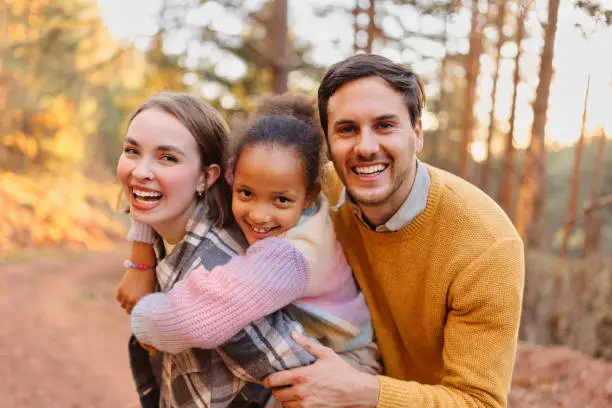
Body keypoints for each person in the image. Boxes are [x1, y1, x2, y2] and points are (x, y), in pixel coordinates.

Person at [264, 54, 525, 408]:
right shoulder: (314, 192)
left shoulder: (486, 244)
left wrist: (363, 391)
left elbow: (480, 402)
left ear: (417, 135)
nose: (366, 147)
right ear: (328, 139)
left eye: (385, 125)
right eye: (347, 129)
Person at [127, 95, 381, 407]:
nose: (259, 215)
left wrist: (144, 319)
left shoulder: (289, 255)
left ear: (309, 195)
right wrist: (140, 253)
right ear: (230, 178)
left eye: (280, 200)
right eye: (246, 193)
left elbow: (204, 315)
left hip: (344, 362)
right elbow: (155, 194)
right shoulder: (289, 192)